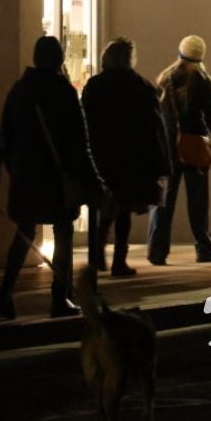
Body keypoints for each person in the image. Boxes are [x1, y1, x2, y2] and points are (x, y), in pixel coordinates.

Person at [0, 36, 104, 320]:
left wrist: (15, 169)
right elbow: (79, 142)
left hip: (26, 177)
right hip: (57, 177)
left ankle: (6, 291)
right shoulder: (63, 91)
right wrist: (93, 181)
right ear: (59, 59)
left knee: (24, 232)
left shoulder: (19, 90)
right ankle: (59, 296)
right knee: (63, 233)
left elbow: (5, 137)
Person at [81, 38, 168, 278]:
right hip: (131, 157)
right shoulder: (140, 86)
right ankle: (119, 259)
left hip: (102, 155)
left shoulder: (95, 85)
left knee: (108, 204)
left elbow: (84, 121)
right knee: (124, 208)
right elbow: (154, 127)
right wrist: (159, 161)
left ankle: (98, 249)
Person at [147, 35, 211, 266]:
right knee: (198, 202)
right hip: (195, 148)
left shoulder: (164, 80)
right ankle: (204, 249)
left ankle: (157, 251)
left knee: (164, 201)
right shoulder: (204, 82)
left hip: (168, 148)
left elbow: (155, 118)